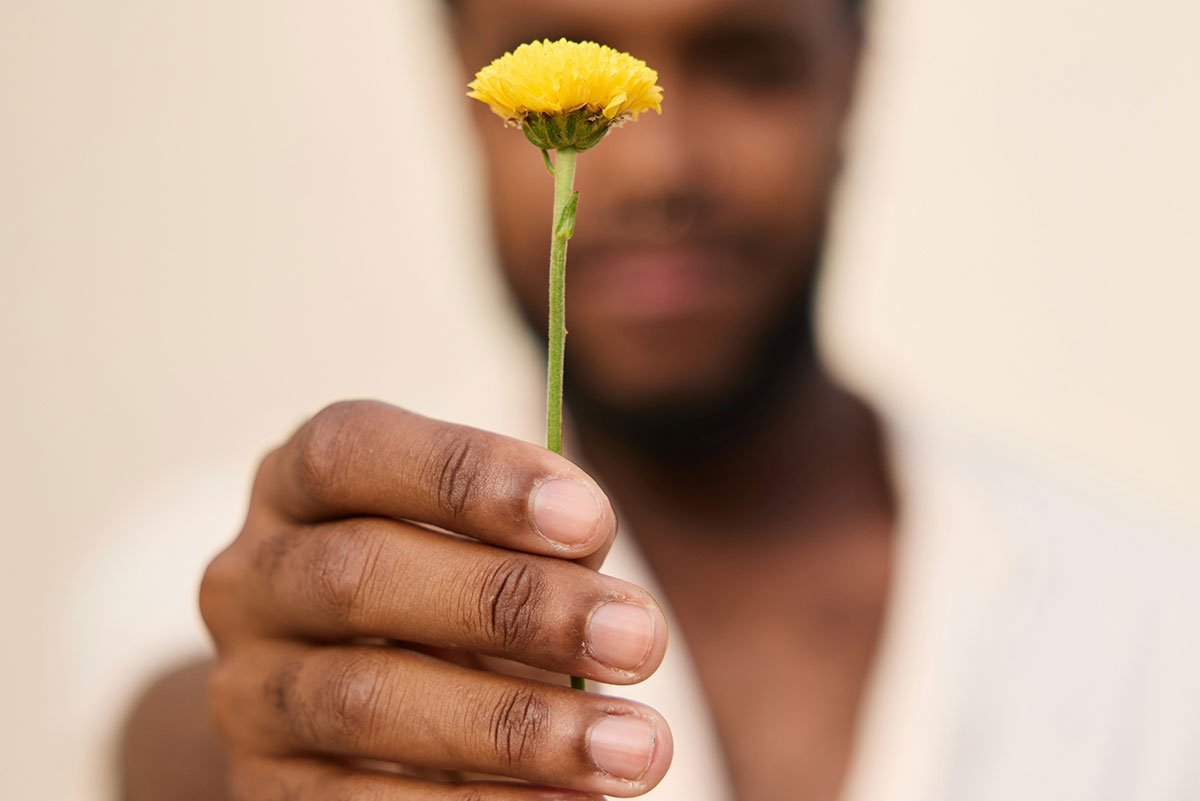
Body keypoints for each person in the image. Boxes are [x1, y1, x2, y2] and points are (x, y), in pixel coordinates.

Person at [120, 0, 1200, 799]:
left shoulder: (1153, 621)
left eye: (748, 64)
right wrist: (265, 737)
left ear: (854, 74)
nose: (654, 173)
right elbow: (163, 717)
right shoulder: (245, 564)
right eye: (558, 46)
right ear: (459, 67)